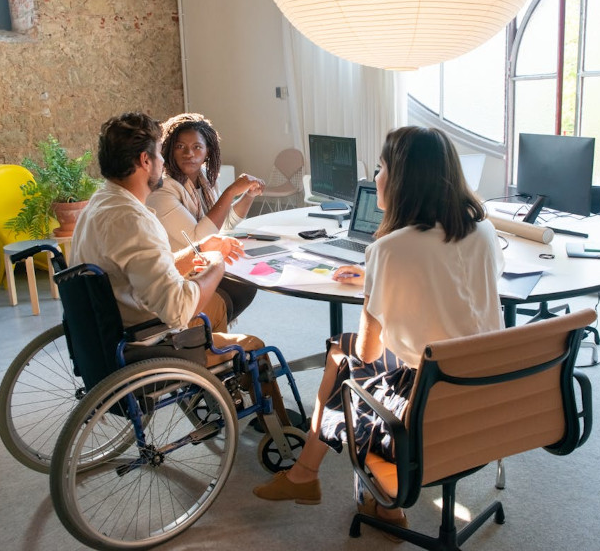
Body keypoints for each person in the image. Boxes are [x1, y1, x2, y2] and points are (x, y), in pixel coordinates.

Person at [253, 126, 505, 529]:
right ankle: (354, 494)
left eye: (381, 167)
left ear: (403, 179)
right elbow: (458, 291)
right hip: (488, 390)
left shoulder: (389, 250)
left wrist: (378, 281)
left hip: (428, 401)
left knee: (341, 355)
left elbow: (368, 354)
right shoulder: (484, 231)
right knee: (352, 352)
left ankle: (321, 481)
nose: (375, 178)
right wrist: (381, 278)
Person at [70, 111, 263, 366]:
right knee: (256, 348)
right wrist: (216, 264)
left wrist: (201, 248)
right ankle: (220, 383)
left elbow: (143, 264)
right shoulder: (135, 220)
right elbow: (177, 310)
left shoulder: (100, 203)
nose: (163, 161)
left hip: (109, 331)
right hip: (148, 342)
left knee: (218, 307)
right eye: (161, 153)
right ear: (145, 160)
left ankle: (218, 390)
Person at [147, 113, 265, 325]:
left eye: (197, 147)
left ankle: (210, 333)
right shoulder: (163, 190)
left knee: (246, 280)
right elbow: (199, 237)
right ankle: (203, 334)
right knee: (238, 283)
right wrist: (230, 192)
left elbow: (224, 223)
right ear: (169, 149)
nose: (189, 154)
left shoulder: (204, 181)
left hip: (200, 265)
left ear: (208, 151)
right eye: (180, 147)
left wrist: (248, 195)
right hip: (178, 276)